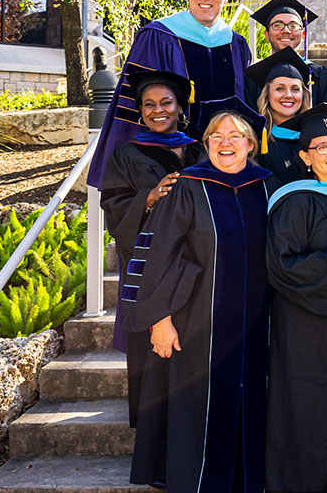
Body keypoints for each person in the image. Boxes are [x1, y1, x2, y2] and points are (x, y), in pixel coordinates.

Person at [122, 96, 275, 493]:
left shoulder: (265, 188)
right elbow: (157, 253)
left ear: (251, 144)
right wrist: (159, 319)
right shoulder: (188, 186)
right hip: (195, 325)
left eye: (236, 136)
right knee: (198, 407)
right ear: (205, 144)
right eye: (216, 136)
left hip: (256, 326)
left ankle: (246, 479)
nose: (226, 142)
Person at [264, 103, 327, 493]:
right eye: (321, 147)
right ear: (304, 157)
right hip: (306, 324)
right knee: (306, 410)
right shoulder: (294, 201)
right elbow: (281, 267)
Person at [88, 0, 251, 189]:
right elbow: (134, 105)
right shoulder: (158, 36)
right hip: (170, 161)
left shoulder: (237, 44)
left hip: (226, 157)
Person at [99, 70, 198, 429]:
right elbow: (112, 207)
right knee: (152, 344)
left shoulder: (200, 148)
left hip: (196, 264)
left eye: (166, 103)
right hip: (148, 264)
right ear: (140, 111)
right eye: (149, 105)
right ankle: (150, 423)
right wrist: (149, 198)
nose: (158, 110)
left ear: (179, 107)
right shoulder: (126, 155)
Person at [247, 0, 327, 107]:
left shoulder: (322, 77)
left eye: (293, 26)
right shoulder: (252, 77)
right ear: (266, 34)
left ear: (302, 35)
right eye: (278, 25)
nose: (286, 30)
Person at [249, 46, 313, 186]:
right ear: (267, 95)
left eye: (295, 89)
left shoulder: (314, 138)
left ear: (303, 95)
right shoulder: (255, 140)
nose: (288, 95)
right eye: (280, 89)